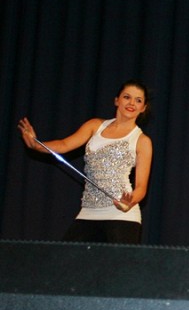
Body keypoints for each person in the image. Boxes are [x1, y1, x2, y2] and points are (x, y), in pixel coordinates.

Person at [17, 80, 152, 243]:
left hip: (122, 215)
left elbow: (141, 188)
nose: (131, 103)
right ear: (117, 100)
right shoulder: (95, 126)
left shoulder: (142, 141)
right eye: (127, 97)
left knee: (119, 261)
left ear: (143, 108)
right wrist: (36, 145)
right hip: (89, 212)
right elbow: (64, 144)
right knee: (66, 257)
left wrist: (129, 201)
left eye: (138, 100)